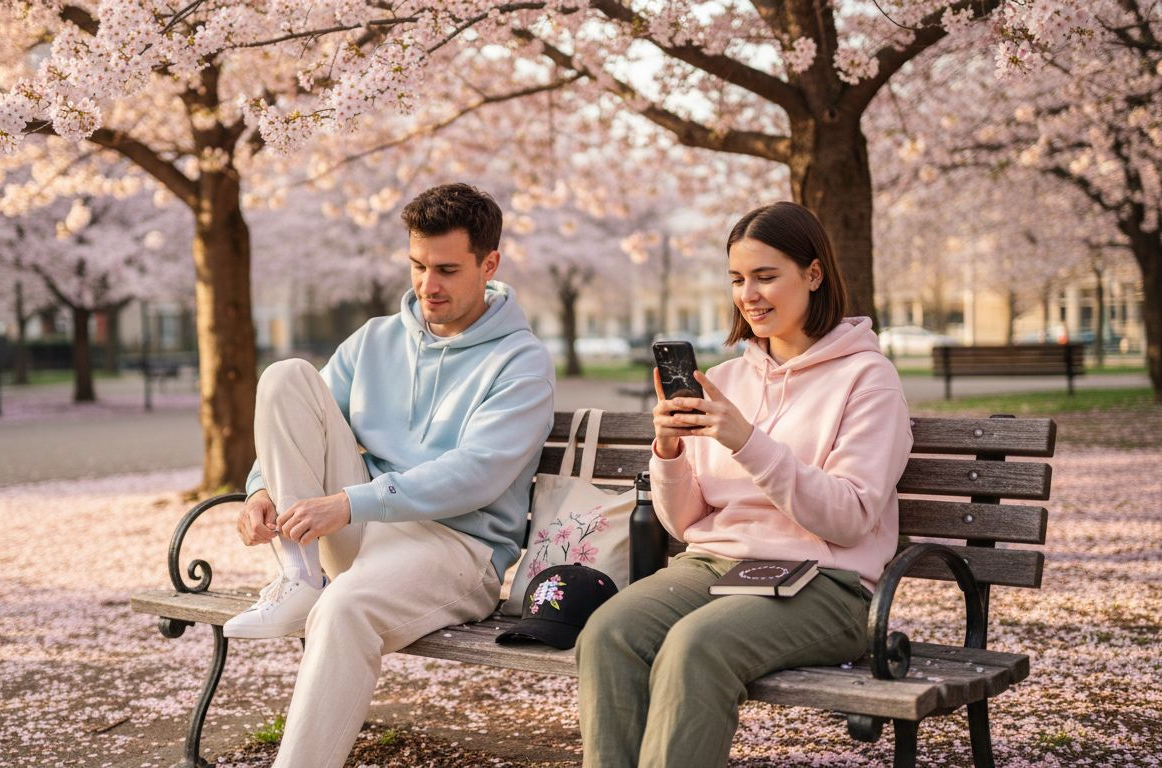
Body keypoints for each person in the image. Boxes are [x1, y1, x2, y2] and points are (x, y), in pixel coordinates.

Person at [225, 183, 555, 768]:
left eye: (448, 270)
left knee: (343, 610)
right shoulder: (375, 339)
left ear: (490, 264)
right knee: (285, 377)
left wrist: (350, 503)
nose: (429, 285)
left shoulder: (521, 362)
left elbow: (476, 475)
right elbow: (303, 421)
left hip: (456, 547)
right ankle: (300, 576)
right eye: (419, 266)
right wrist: (261, 490)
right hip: (357, 532)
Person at [576, 201, 913, 768]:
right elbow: (684, 523)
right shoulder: (728, 379)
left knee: (695, 647)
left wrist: (746, 440)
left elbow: (851, 518)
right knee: (609, 632)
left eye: (765, 276)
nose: (749, 294)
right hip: (714, 566)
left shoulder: (867, 379)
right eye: (737, 279)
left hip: (825, 584)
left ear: (813, 274)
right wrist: (669, 450)